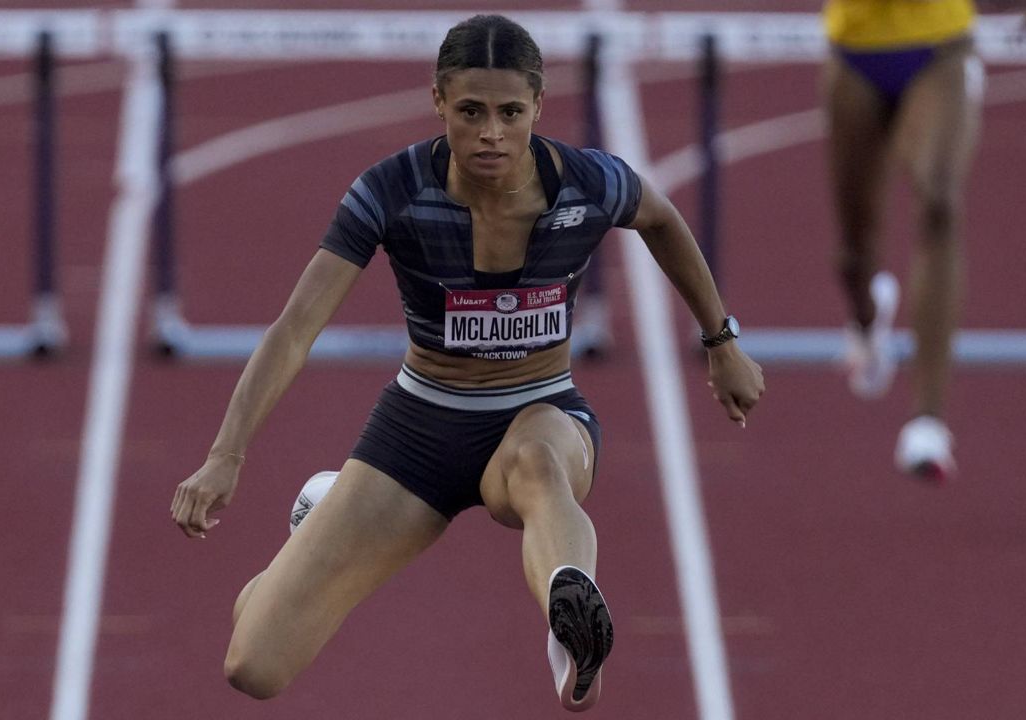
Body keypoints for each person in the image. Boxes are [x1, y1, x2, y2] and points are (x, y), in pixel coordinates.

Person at [170, 14, 764, 713]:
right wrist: (226, 455)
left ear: (538, 109)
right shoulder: (391, 193)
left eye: (511, 113)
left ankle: (570, 623)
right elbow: (295, 328)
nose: (492, 133)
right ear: (438, 103)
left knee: (539, 468)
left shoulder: (585, 183)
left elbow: (661, 218)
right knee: (254, 667)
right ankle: (308, 539)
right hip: (420, 430)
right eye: (471, 112)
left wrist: (720, 341)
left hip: (541, 412)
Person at [821, 0, 1026, 481]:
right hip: (856, 52)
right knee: (852, 251)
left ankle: (928, 419)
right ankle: (867, 320)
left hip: (942, 48)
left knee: (940, 204)